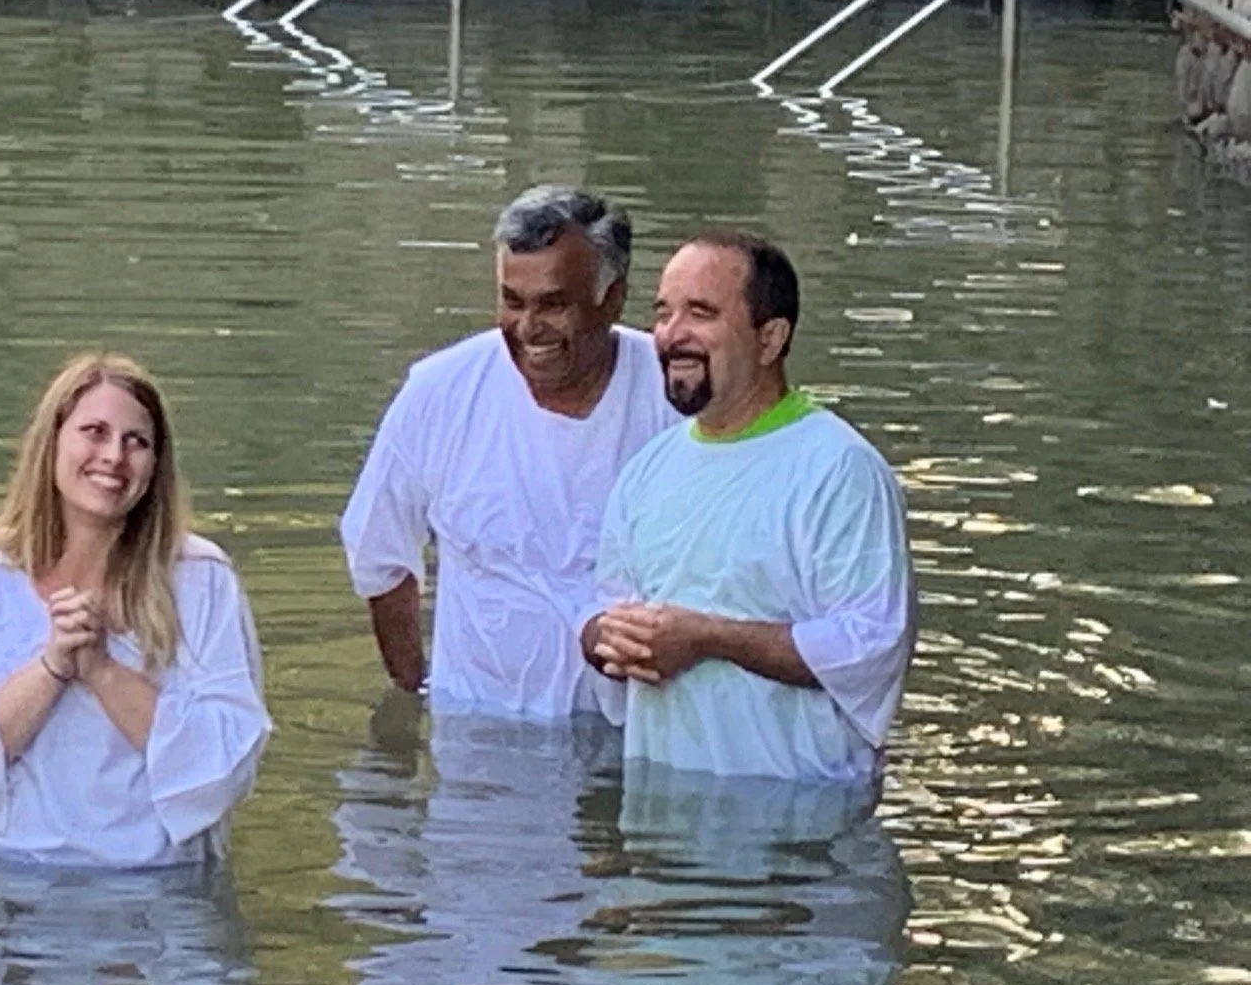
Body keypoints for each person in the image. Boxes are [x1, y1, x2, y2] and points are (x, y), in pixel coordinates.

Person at [0, 353, 270, 866]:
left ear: (157, 464)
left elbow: (226, 769)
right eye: (94, 431)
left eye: (136, 441)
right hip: (5, 884)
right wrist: (52, 666)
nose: (113, 456)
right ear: (52, 442)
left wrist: (101, 669)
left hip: (158, 896)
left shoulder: (202, 580)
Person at [583, 229, 916, 782]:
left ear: (770, 338)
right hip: (659, 803)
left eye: (701, 313)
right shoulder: (647, 470)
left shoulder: (839, 469)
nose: (671, 335)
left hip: (800, 820)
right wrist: (605, 639)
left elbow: (872, 643)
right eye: (663, 313)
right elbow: (604, 611)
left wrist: (710, 638)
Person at [339, 184, 679, 719]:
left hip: (638, 733)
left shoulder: (672, 400)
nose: (528, 328)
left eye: (553, 304)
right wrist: (414, 693)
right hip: (478, 729)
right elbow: (379, 552)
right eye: (512, 301)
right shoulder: (442, 390)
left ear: (611, 299)